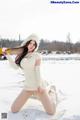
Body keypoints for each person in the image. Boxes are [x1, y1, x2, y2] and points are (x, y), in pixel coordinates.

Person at [4, 34, 56, 115]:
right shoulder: (21, 55)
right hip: (28, 87)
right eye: (30, 43)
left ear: (36, 46)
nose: (32, 46)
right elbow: (15, 67)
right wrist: (7, 55)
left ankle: (51, 93)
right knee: (14, 109)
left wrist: (39, 86)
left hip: (39, 86)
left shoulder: (37, 56)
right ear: (26, 43)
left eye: (34, 44)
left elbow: (37, 71)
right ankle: (34, 95)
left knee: (51, 112)